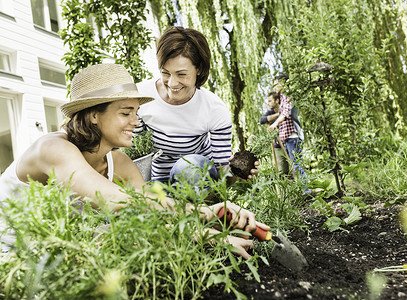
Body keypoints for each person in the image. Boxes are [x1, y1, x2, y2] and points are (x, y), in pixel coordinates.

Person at [0, 63, 269, 257]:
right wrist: (204, 213)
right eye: (126, 112)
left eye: (137, 112)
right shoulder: (52, 149)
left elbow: (152, 215)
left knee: (119, 236)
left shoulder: (120, 163)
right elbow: (117, 201)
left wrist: (215, 228)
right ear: (94, 114)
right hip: (11, 258)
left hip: (56, 252)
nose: (136, 121)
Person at [136, 26, 259, 184]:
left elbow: (222, 171)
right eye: (165, 73)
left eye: (181, 74)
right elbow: (135, 157)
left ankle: (195, 207)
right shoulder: (141, 96)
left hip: (197, 179)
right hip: (158, 183)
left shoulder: (213, 109)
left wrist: (239, 172)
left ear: (199, 69)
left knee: (188, 168)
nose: (172, 84)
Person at [268, 74, 308, 181]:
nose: (275, 87)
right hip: (287, 139)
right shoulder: (281, 98)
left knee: (297, 165)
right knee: (294, 167)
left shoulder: (288, 96)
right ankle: (303, 190)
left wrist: (275, 124)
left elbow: (285, 114)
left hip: (293, 137)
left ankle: (306, 192)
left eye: (276, 84)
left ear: (284, 83)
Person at [259, 92, 289, 175]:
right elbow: (262, 120)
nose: (267, 103)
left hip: (288, 141)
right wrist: (277, 115)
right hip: (278, 145)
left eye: (270, 101)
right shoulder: (270, 112)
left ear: (277, 100)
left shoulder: (285, 110)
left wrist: (281, 114)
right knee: (282, 170)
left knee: (293, 165)